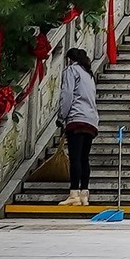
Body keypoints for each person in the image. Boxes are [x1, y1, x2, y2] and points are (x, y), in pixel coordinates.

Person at [57, 46, 98, 206]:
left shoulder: (71, 71)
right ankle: (84, 194)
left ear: (69, 59)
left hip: (77, 117)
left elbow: (67, 95)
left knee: (75, 158)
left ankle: (74, 193)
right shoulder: (89, 74)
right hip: (91, 120)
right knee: (84, 158)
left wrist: (61, 116)